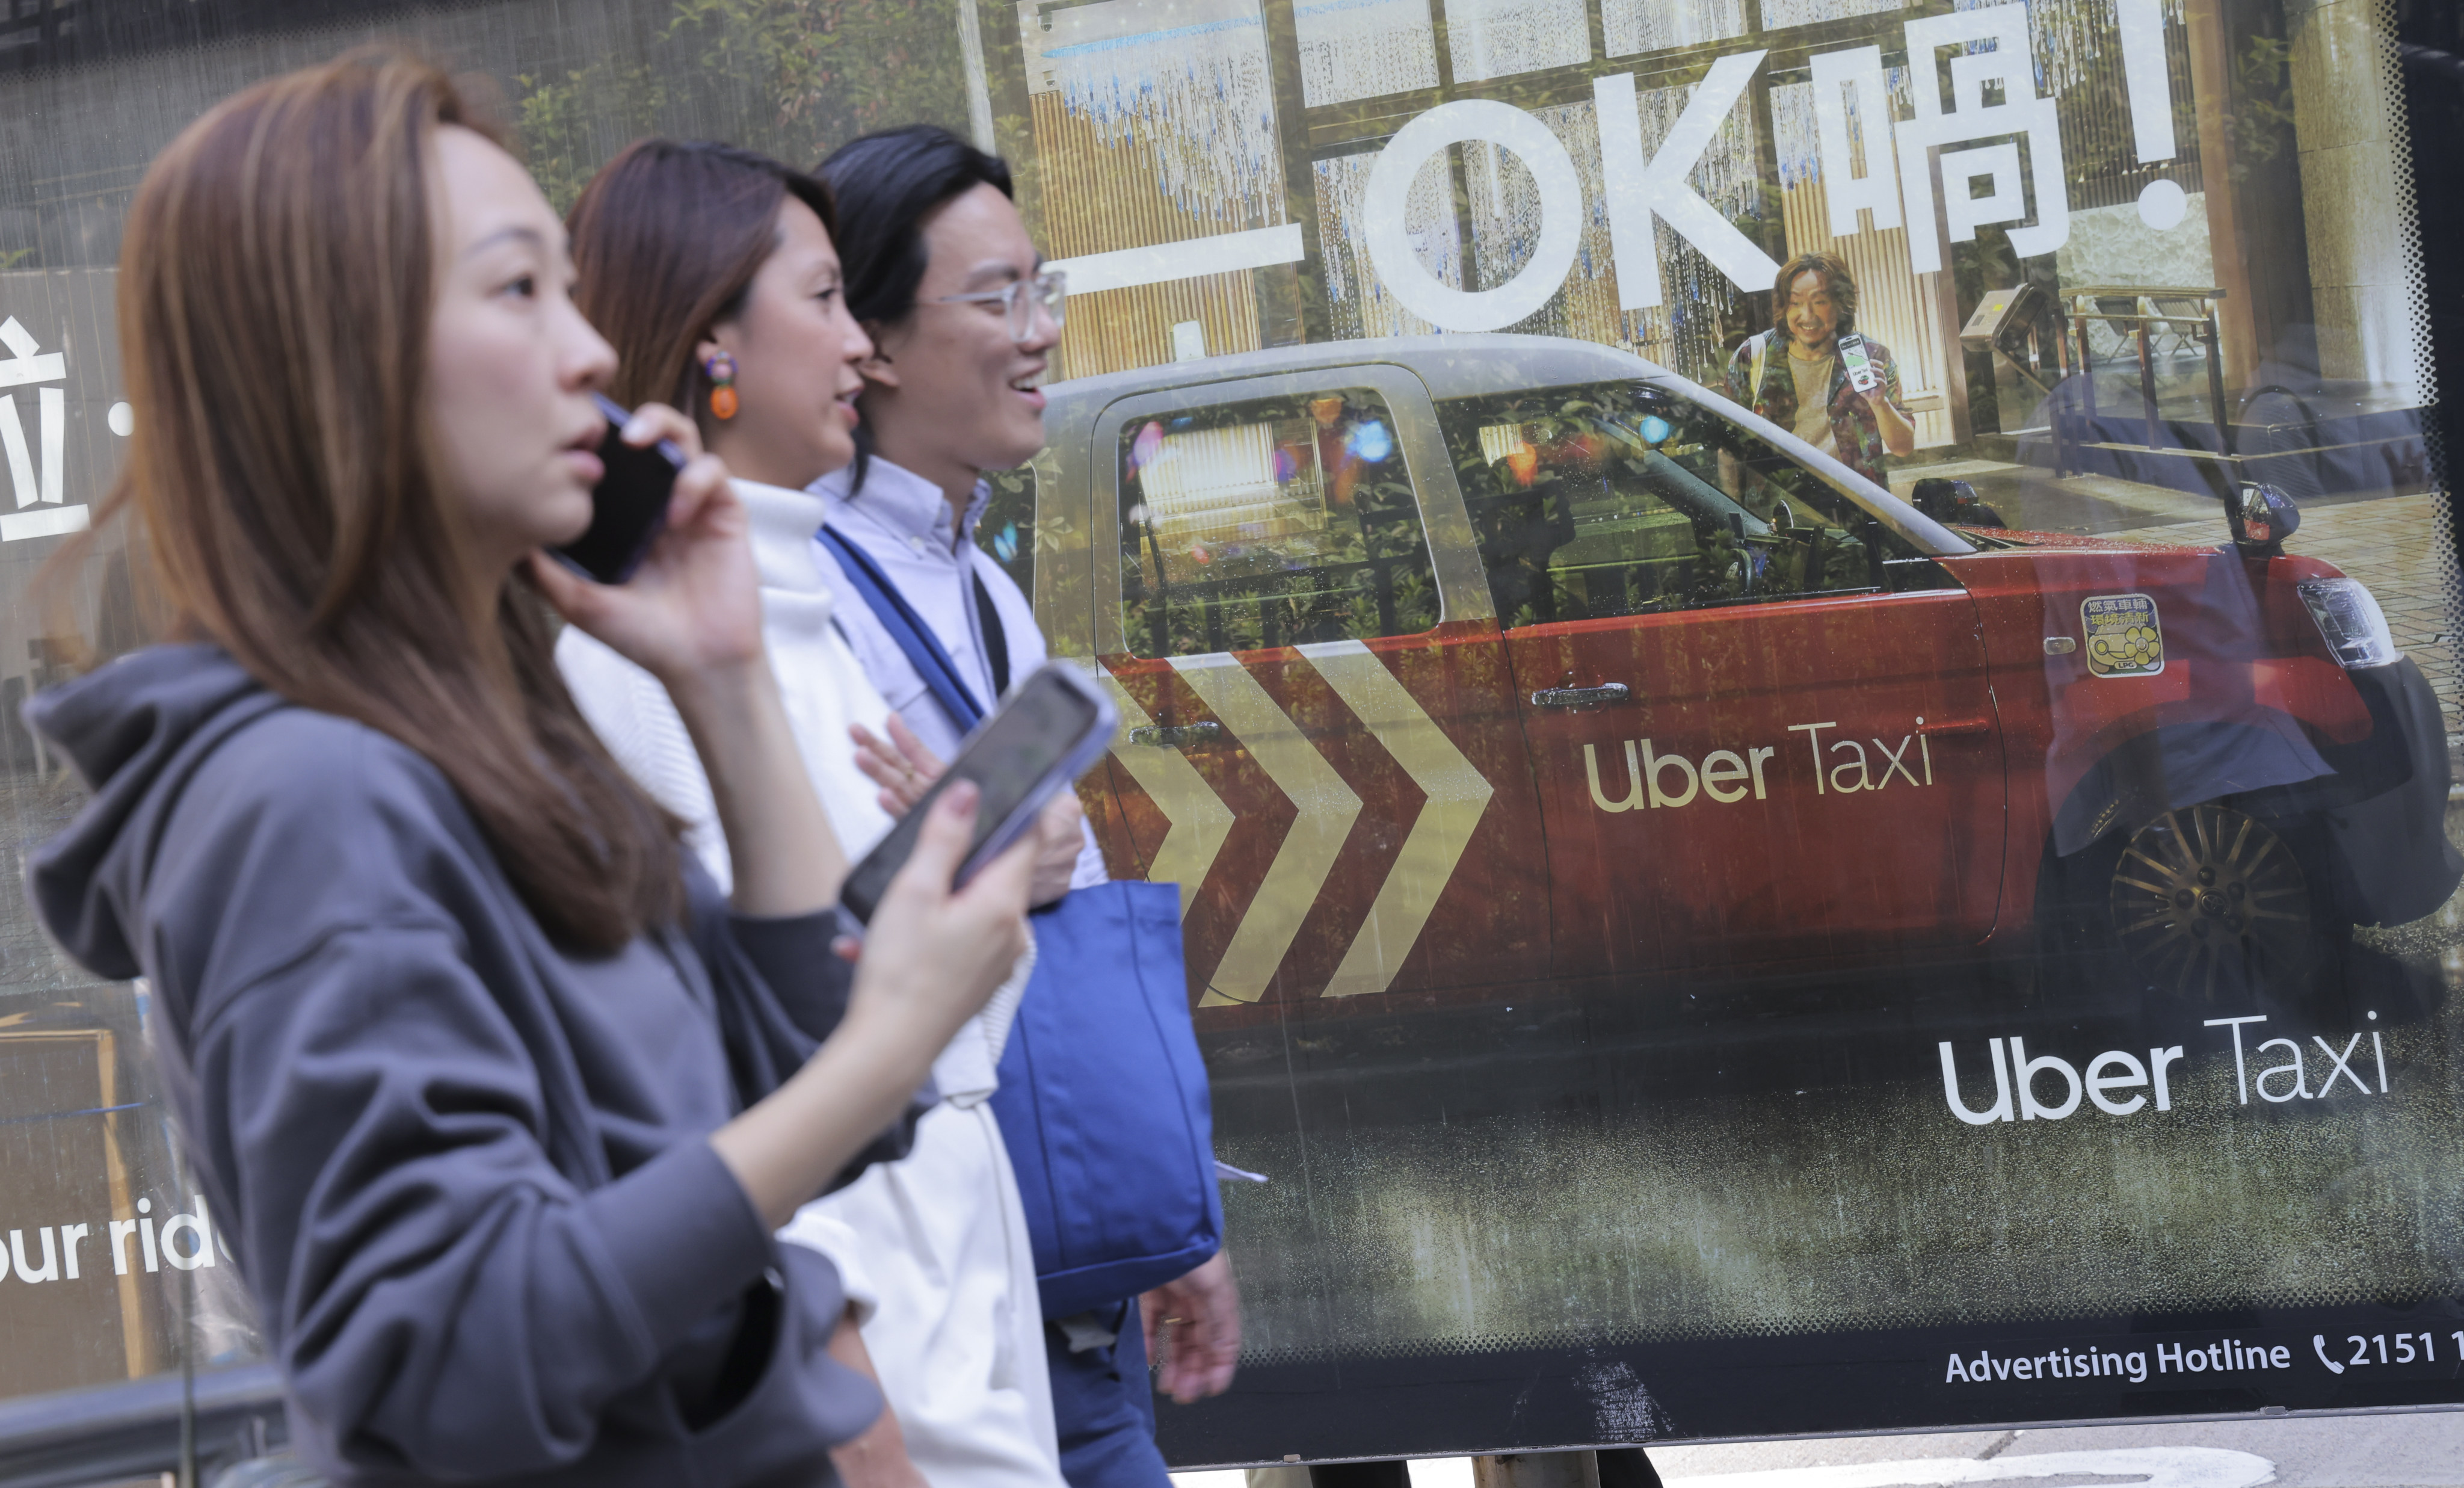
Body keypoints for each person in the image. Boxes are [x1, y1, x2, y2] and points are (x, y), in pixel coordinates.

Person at [21, 53, 1033, 1486]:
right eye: (517, 292)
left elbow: (790, 1091)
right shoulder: (305, 798)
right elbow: (458, 1357)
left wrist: (724, 681)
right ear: (340, 357)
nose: (593, 354)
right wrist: (884, 1051)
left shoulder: (487, 732)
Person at [555, 139, 1083, 1488]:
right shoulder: (636, 659)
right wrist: (838, 1374)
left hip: (950, 1220)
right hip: (872, 1273)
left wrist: (975, 894)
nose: (860, 346)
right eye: (827, 300)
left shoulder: (789, 609)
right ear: (711, 338)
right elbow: (732, 1060)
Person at [814, 123, 1241, 1488]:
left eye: (1038, 289)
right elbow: (820, 931)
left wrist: (1174, 1215)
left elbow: (1061, 939)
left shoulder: (982, 584)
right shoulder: (805, 596)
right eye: (995, 300)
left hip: (1074, 1288)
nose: (1039, 331)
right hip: (945, 1299)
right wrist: (1001, 854)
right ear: (868, 340)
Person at [1723, 250, 1915, 487]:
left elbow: (1903, 447)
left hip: (1855, 509)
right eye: (1796, 303)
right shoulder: (1753, 356)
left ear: (1841, 304)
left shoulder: (1871, 357)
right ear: (1784, 307)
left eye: (1819, 301)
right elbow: (1727, 447)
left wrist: (1880, 404)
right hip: (1778, 511)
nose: (1807, 315)